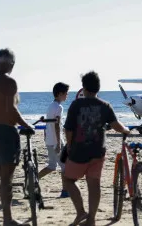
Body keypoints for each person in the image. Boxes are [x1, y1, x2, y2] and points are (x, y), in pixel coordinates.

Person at [63, 71, 130, 226]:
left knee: (68, 179)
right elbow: (116, 125)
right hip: (98, 151)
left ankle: (81, 212)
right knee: (94, 185)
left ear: (84, 88)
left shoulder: (76, 105)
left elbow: (69, 129)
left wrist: (69, 145)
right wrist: (126, 130)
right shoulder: (105, 105)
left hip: (79, 150)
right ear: (98, 88)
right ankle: (91, 219)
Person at [0, 48, 33, 226]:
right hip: (6, 133)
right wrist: (27, 125)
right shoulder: (10, 82)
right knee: (6, 178)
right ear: (11, 64)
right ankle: (8, 219)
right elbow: (12, 110)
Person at [38, 82, 70, 198]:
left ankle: (33, 180)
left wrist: (46, 137)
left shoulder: (51, 106)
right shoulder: (59, 107)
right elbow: (56, 125)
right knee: (65, 166)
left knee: (52, 166)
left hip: (50, 140)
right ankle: (65, 191)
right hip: (56, 140)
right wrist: (59, 144)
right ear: (60, 94)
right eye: (66, 94)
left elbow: (48, 124)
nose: (67, 96)